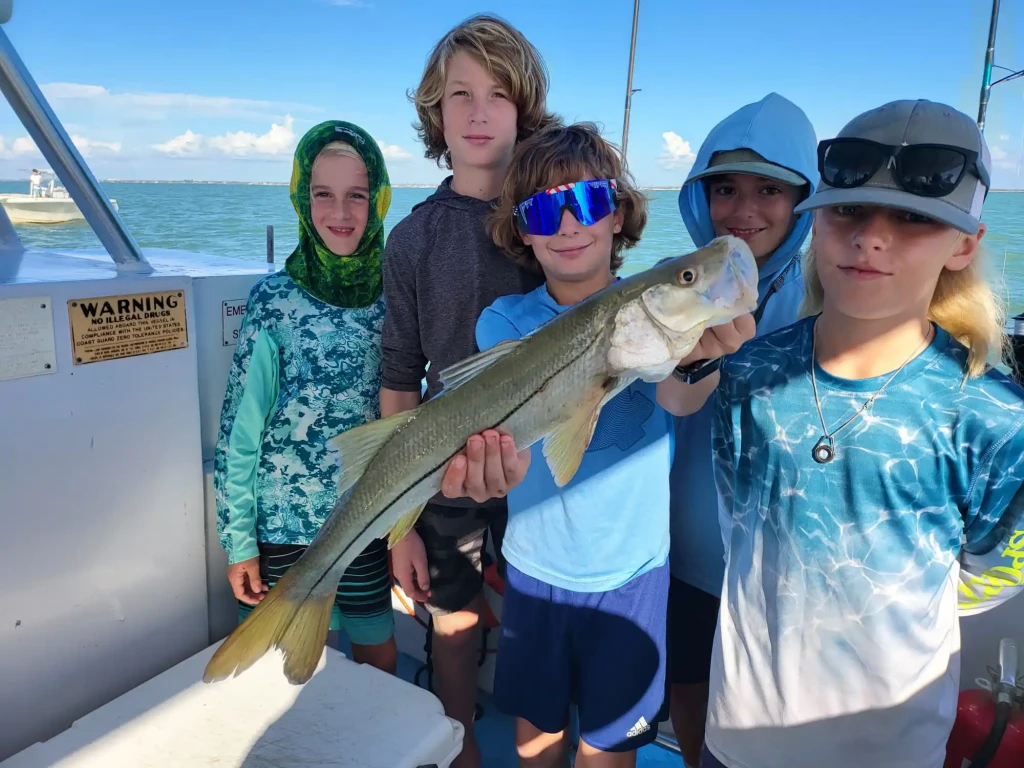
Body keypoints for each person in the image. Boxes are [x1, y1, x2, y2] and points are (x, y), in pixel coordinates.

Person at [658, 99, 1024, 768]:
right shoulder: (747, 373)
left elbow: (989, 576)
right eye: (848, 210)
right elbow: (729, 502)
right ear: (818, 224)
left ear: (965, 242)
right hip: (734, 739)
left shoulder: (996, 418)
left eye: (914, 218)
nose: (870, 237)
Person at [380, 14, 559, 767]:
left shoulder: (551, 220)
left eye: (497, 94)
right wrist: (401, 524)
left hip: (544, 470)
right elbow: (398, 380)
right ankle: (458, 751)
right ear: (436, 114)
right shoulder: (412, 237)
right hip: (444, 477)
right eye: (460, 94)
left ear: (525, 110)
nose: (479, 110)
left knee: (534, 625)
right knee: (453, 625)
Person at [479, 121, 669, 768]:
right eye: (542, 209)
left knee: (607, 751)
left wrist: (702, 351)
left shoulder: (659, 310)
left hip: (633, 575)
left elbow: (683, 396)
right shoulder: (504, 322)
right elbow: (512, 448)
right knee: (536, 741)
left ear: (616, 214)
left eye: (585, 202)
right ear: (523, 231)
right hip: (536, 571)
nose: (565, 224)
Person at [666, 92, 818, 767]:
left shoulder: (831, 299)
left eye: (769, 190)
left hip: (782, 563)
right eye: (724, 188)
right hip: (683, 543)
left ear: (804, 202)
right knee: (689, 681)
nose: (744, 209)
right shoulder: (675, 286)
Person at [214, 120, 397, 675]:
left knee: (377, 650)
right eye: (323, 195)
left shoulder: (397, 291)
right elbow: (239, 430)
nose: (340, 213)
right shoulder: (272, 300)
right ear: (301, 198)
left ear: (379, 199)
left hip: (365, 518)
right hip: (282, 526)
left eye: (356, 196)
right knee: (284, 667)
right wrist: (238, 540)